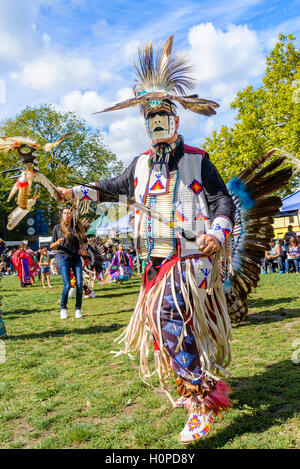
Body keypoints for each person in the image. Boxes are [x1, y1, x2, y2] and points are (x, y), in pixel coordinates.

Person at [57, 36, 235, 443]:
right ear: (145, 123)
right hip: (155, 262)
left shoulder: (197, 158)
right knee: (169, 325)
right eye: (149, 116)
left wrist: (217, 232)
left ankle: (200, 401)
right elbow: (111, 188)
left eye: (162, 113)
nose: (156, 121)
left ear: (175, 117)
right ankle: (196, 383)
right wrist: (75, 192)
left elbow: (222, 198)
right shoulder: (138, 164)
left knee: (166, 313)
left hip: (193, 256)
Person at [50, 207, 86, 319]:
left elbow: (85, 242)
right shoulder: (57, 228)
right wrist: (57, 242)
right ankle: (63, 308)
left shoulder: (77, 228)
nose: (66, 215)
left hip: (76, 257)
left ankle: (78, 309)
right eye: (64, 213)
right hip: (63, 258)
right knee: (67, 285)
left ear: (72, 215)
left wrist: (82, 249)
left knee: (80, 285)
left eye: (68, 213)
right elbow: (51, 246)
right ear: (62, 215)